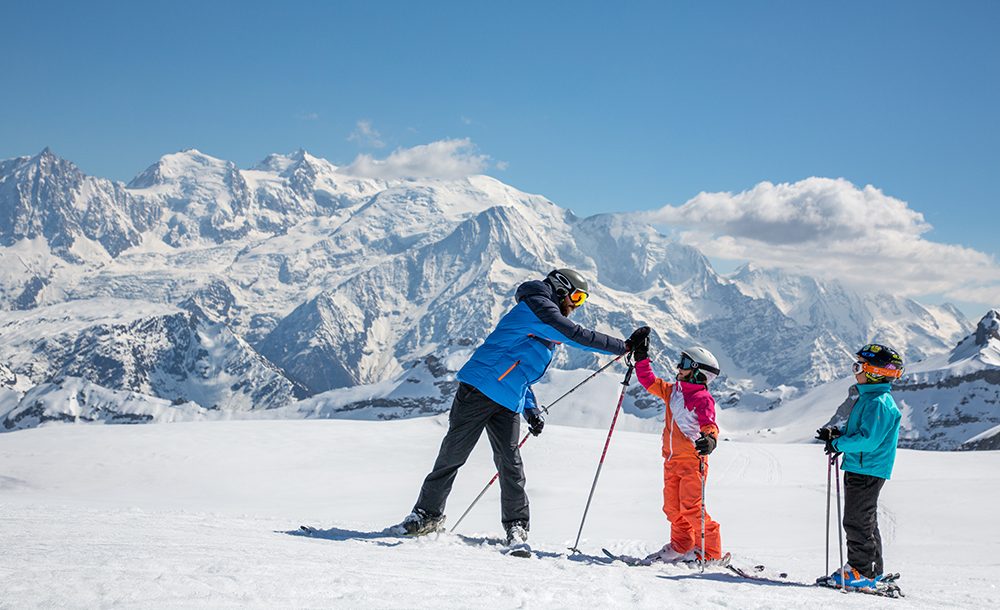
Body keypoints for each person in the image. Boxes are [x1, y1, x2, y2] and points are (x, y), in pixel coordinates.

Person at [395, 268, 640, 546]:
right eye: (576, 296)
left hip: (508, 399)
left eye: (582, 299)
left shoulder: (545, 316)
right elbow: (576, 334)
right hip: (478, 390)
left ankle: (517, 527)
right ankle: (426, 515)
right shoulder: (538, 308)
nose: (576, 304)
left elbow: (519, 368)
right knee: (453, 455)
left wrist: (530, 407)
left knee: (510, 465)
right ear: (561, 289)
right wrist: (625, 346)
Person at [630, 327, 725, 563]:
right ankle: (681, 545)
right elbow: (649, 381)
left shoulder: (702, 398)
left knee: (693, 509)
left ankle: (710, 553)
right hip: (671, 462)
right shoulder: (673, 392)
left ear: (696, 371)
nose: (678, 367)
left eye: (683, 362)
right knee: (672, 509)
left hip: (693, 462)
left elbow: (709, 423)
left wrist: (710, 439)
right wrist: (642, 356)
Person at [816, 343, 904, 589]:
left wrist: (840, 444)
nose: (855, 371)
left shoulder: (879, 403)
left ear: (876, 372)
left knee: (856, 520)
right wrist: (838, 433)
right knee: (864, 520)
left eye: (860, 366)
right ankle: (871, 569)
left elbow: (869, 439)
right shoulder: (871, 399)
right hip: (862, 466)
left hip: (867, 469)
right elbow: (861, 431)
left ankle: (861, 570)